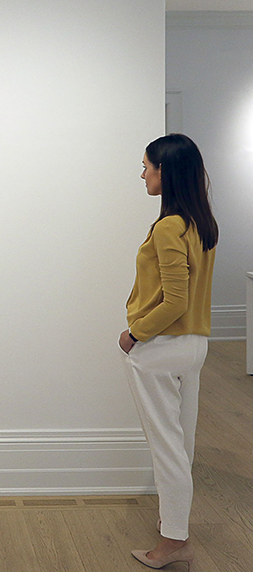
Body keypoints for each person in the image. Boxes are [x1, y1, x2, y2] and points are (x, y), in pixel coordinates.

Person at [119, 133, 218, 571]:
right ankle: (175, 530)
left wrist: (135, 334)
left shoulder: (167, 226)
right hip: (194, 346)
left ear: (166, 171)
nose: (142, 173)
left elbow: (174, 300)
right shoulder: (201, 223)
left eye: (146, 166)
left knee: (167, 449)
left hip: (161, 348)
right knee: (183, 443)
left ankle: (173, 542)